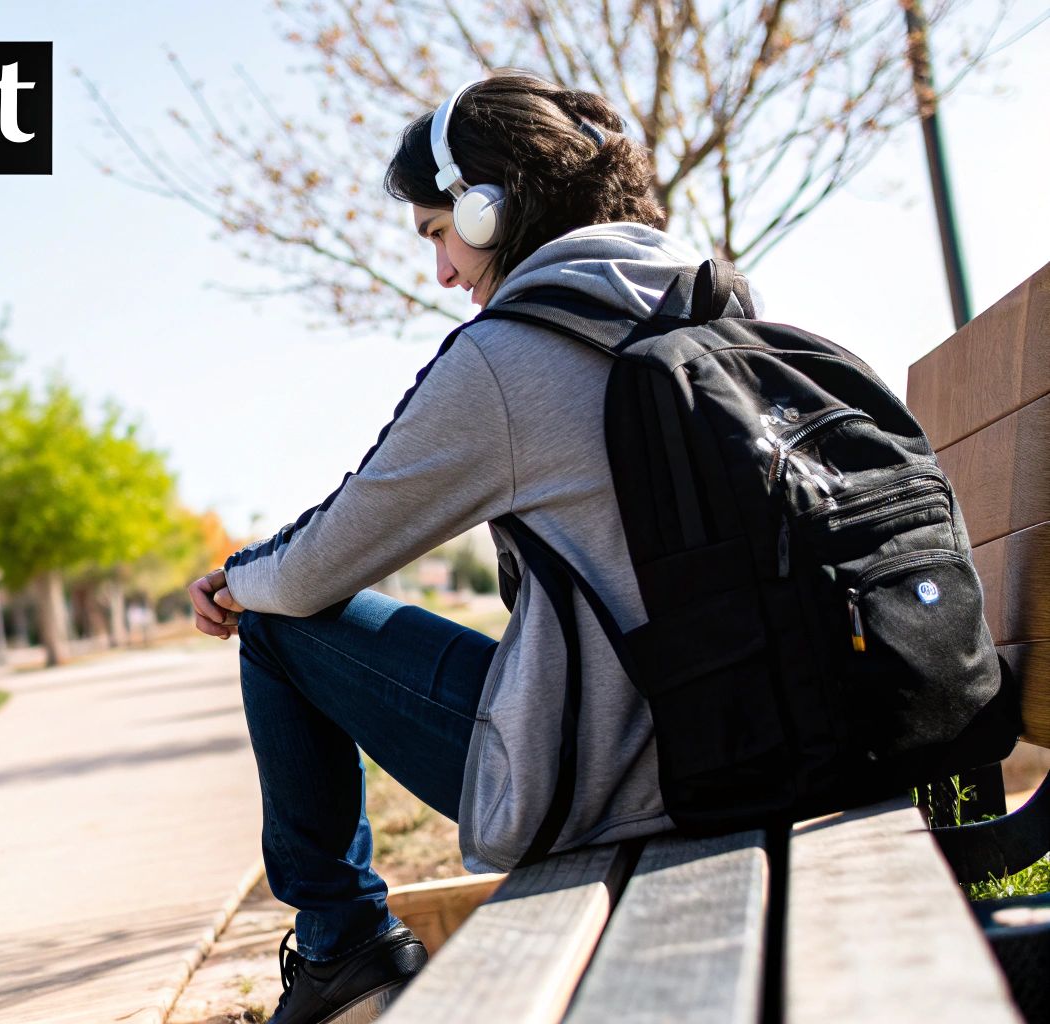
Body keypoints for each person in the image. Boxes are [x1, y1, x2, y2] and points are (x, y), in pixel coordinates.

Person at [187, 70, 727, 1024]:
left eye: (439, 232)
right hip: (747, 733)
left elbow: (327, 556)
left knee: (277, 619)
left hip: (615, 778)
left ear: (488, 211)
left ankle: (342, 948)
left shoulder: (510, 356)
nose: (441, 271)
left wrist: (233, 582)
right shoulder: (713, 301)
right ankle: (342, 952)